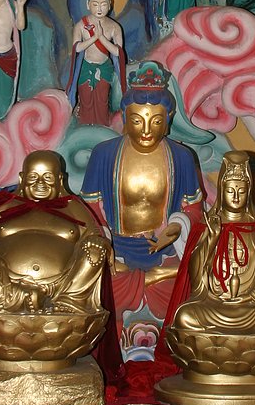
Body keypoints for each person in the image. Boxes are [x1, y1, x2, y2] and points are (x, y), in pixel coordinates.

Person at [81, 61, 203, 357]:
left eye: (156, 121)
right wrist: (105, 246)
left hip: (165, 255)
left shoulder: (182, 157)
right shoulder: (104, 155)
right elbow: (88, 210)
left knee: (194, 285)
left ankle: (152, 303)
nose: (147, 130)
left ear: (168, 119)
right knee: (92, 287)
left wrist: (174, 229)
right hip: (117, 253)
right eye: (137, 121)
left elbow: (194, 210)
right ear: (125, 117)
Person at [0, 150, 110, 319]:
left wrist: (94, 242)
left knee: (95, 250)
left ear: (59, 180)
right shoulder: (5, 205)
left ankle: (67, 302)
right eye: (33, 177)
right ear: (22, 178)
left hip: (63, 286)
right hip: (6, 281)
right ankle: (26, 296)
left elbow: (95, 237)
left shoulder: (73, 207)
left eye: (48, 177)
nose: (40, 183)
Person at [168, 150, 255, 335]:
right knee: (185, 316)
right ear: (221, 190)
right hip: (213, 304)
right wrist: (211, 239)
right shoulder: (208, 226)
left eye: (241, 191)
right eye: (230, 190)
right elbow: (195, 278)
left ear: (248, 192)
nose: (236, 196)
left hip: (250, 306)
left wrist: (250, 297)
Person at [67, 0, 126, 126]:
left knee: (102, 99)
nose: (99, 9)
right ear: (88, 4)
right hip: (86, 66)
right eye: (95, 4)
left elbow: (118, 52)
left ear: (110, 5)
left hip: (104, 67)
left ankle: (101, 125)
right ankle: (85, 125)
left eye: (103, 4)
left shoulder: (114, 27)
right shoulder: (81, 25)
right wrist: (94, 38)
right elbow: (77, 47)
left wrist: (102, 38)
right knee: (86, 98)